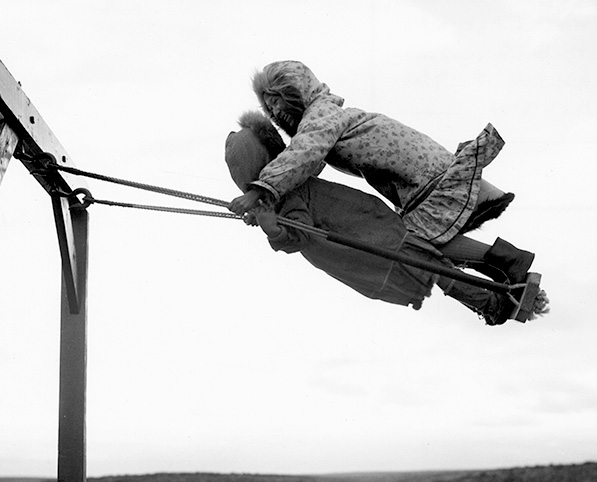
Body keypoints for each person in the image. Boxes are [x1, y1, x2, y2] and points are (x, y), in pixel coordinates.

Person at [225, 111, 546, 324]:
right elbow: (298, 234)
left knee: (431, 266)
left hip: (370, 232)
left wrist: (269, 220)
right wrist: (270, 223)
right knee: (429, 255)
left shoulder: (290, 188)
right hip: (369, 228)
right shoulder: (290, 191)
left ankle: (493, 299)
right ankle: (504, 264)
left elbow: (298, 232)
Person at [228, 60, 515, 248]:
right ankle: (508, 262)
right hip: (418, 175)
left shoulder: (321, 116)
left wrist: (257, 192)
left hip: (424, 177)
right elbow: (307, 165)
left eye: (276, 100)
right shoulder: (320, 120)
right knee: (428, 243)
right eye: (269, 108)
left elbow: (303, 155)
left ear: (294, 90)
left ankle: (507, 262)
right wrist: (268, 205)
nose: (275, 111)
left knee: (417, 244)